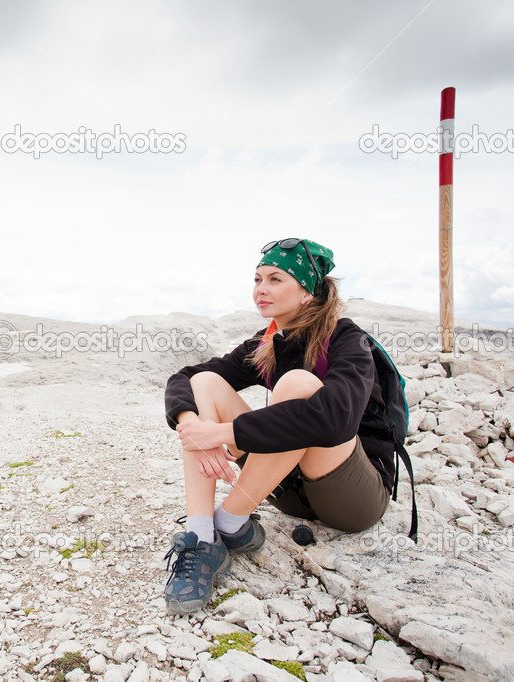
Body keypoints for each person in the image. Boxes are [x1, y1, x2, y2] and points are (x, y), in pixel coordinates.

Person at [161, 238, 395, 613]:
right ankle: (204, 536)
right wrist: (194, 429)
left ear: (307, 293)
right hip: (288, 490)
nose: (261, 289)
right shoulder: (269, 341)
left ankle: (231, 519)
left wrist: (222, 434)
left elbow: (337, 419)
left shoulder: (347, 339)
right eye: (257, 279)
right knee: (204, 383)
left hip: (351, 499)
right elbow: (187, 377)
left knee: (298, 386)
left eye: (275, 279)